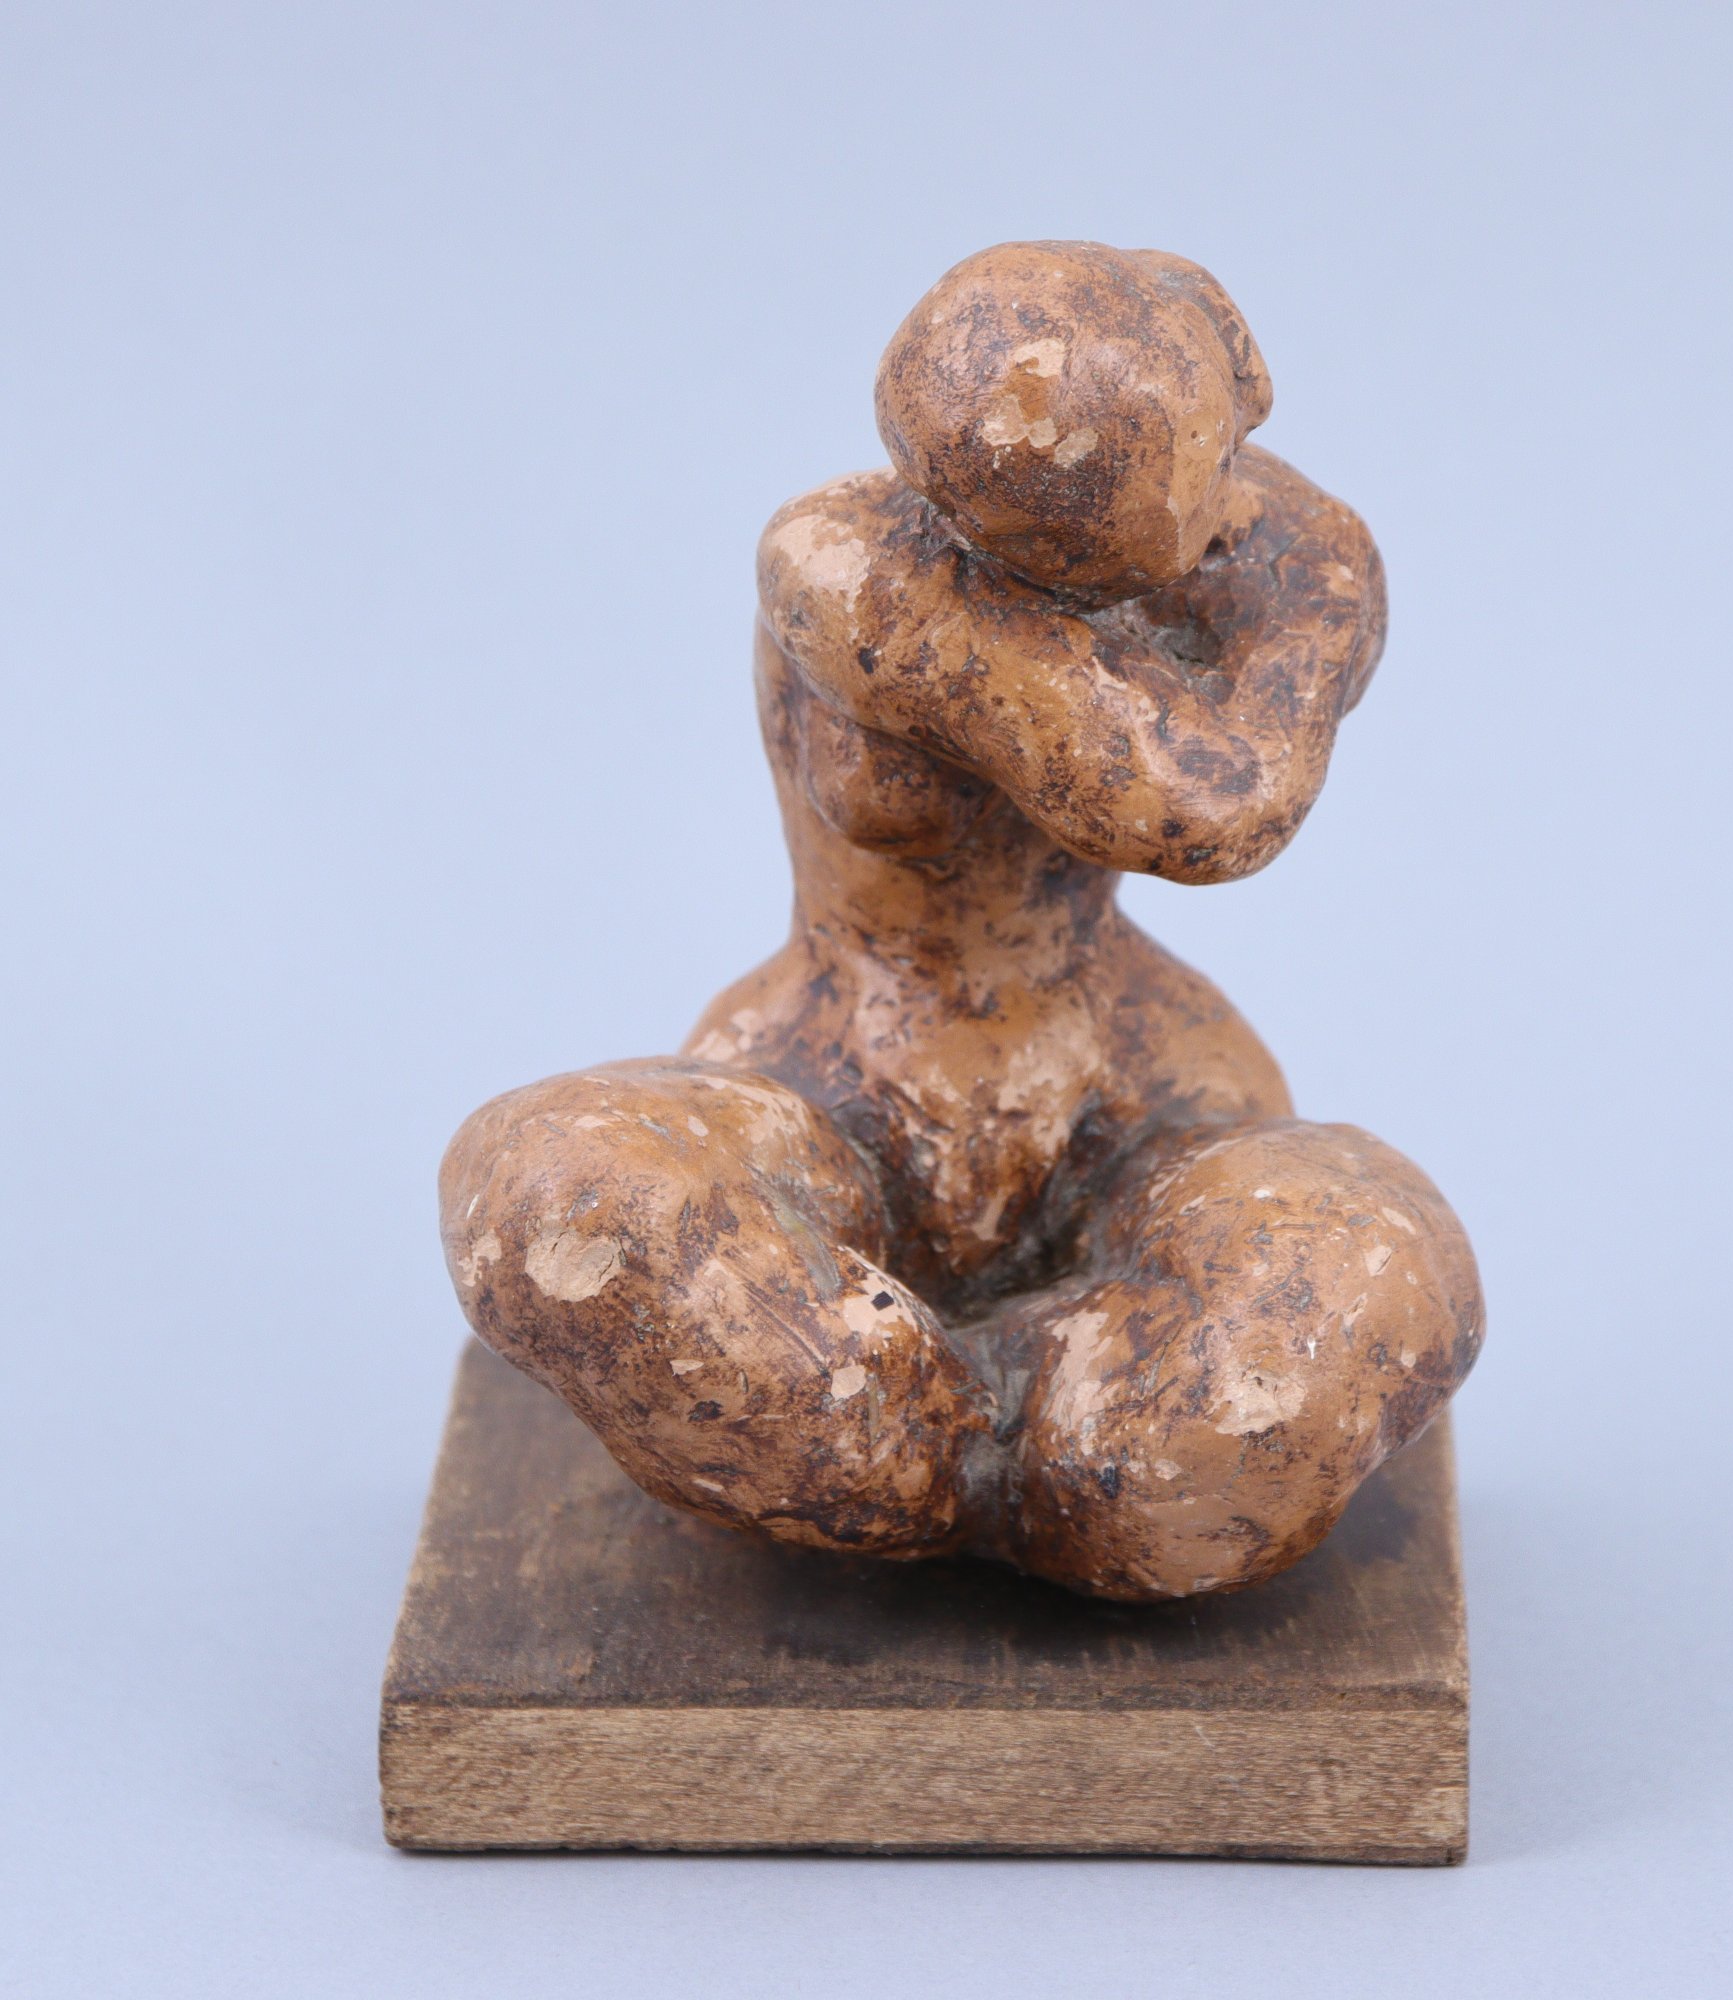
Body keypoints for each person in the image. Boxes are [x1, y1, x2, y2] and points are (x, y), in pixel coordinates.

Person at [442, 241, 1482, 1601]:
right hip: (825, 1083)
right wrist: (1262, 600)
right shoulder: (844, 562)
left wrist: (1282, 566)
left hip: (1135, 1096)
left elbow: (1233, 805)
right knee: (560, 1195)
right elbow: (1184, 796)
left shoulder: (1288, 547)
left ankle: (1067, 1447)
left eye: (1206, 469)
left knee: (1357, 1274)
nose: (1229, 521)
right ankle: (939, 1450)